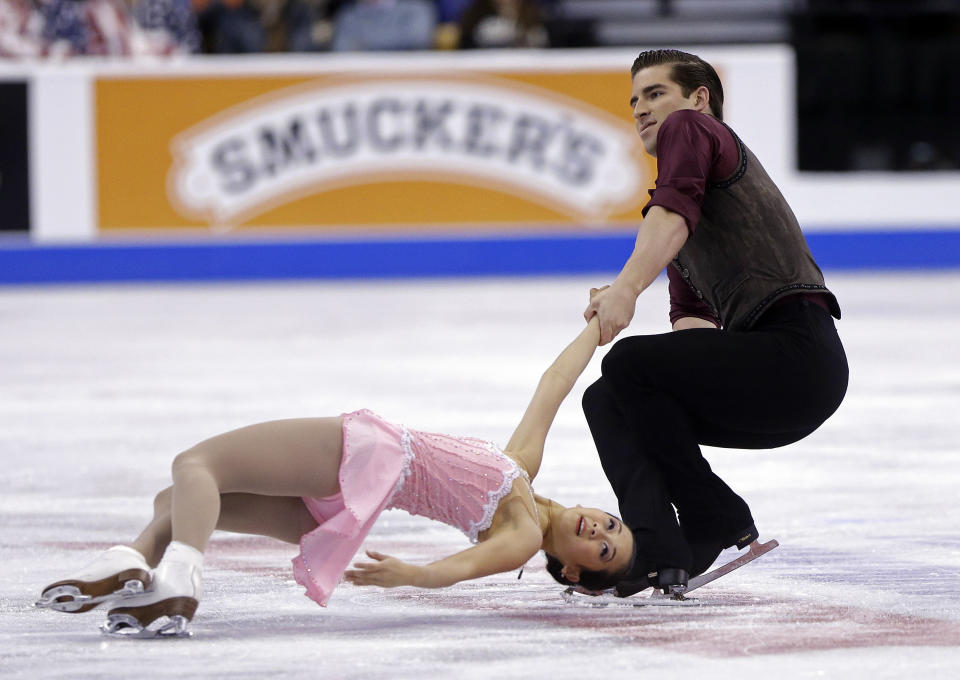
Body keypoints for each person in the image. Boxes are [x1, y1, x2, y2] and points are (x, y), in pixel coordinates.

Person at [35, 315, 635, 637]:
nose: (599, 528)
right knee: (178, 498)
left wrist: (413, 575)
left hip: (370, 456)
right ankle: (137, 565)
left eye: (602, 548)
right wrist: (598, 325)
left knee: (196, 466)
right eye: (612, 522)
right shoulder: (522, 472)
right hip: (352, 502)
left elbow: (463, 569)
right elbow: (554, 385)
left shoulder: (524, 537)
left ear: (574, 570)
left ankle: (177, 576)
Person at [581, 49, 848, 597]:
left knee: (628, 362)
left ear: (700, 99)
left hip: (798, 356)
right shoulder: (684, 228)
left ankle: (712, 515)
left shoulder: (693, 129)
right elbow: (693, 334)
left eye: (655, 93)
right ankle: (658, 547)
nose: (641, 110)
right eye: (634, 101)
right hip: (778, 386)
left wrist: (626, 289)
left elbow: (673, 208)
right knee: (609, 397)